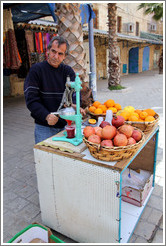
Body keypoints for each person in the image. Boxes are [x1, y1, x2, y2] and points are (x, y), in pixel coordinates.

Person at [24, 36, 85, 144]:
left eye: (60, 54)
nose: (56, 56)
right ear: (48, 50)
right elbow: (31, 99)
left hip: (66, 125)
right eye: (53, 51)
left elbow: (75, 93)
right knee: (44, 158)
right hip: (44, 126)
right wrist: (46, 116)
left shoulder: (68, 71)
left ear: (65, 56)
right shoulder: (36, 70)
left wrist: (75, 104)